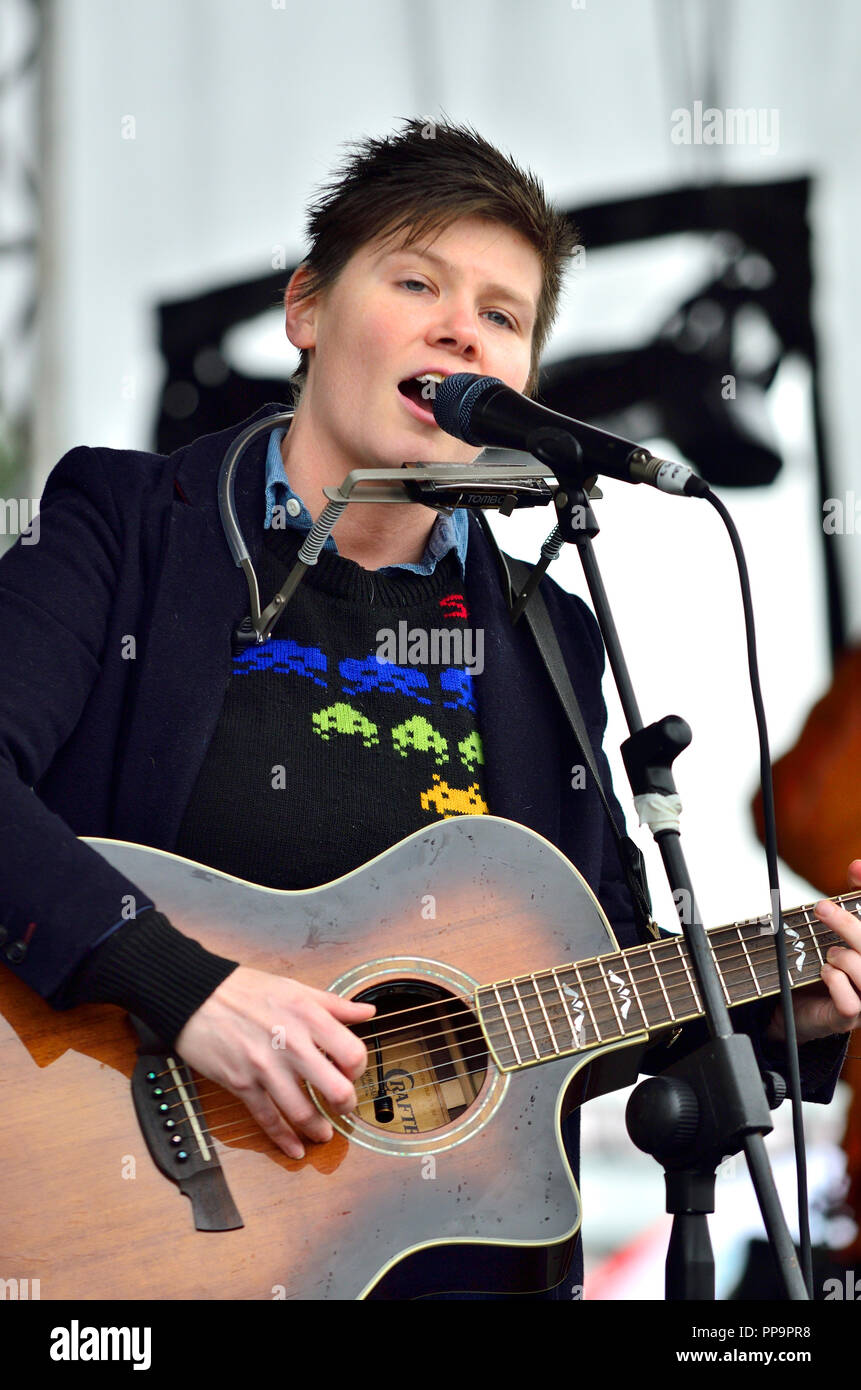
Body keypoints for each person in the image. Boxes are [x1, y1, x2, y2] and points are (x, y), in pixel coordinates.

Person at [1, 116, 858, 1299]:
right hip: (113, 1233)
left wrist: (776, 1006)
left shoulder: (549, 631)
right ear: (306, 309)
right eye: (418, 281)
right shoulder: (128, 526)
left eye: (503, 316)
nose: (464, 324)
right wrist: (182, 987)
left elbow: (576, 989)